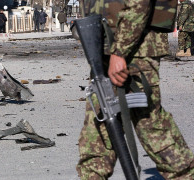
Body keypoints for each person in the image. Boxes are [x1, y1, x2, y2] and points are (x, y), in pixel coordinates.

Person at [76, 0, 194, 179]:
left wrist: (120, 52)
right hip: (104, 44)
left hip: (136, 48)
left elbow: (140, 3)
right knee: (98, 129)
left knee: (151, 127)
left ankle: (185, 175)